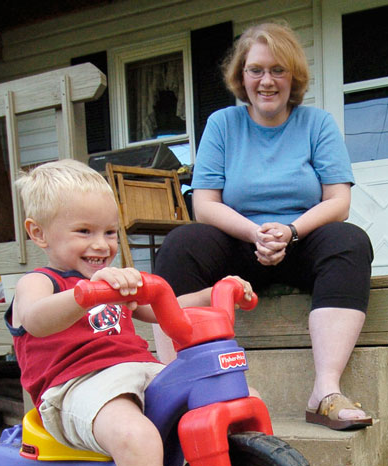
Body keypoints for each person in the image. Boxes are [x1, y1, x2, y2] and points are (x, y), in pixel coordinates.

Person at [6, 159, 251, 466]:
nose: (101, 244)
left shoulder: (114, 279)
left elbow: (166, 302)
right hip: (75, 387)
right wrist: (83, 293)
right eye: (83, 231)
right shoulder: (42, 282)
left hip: (135, 372)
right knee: (138, 439)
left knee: (205, 391)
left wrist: (219, 288)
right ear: (39, 233)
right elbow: (33, 318)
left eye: (110, 231)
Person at [153, 20, 375, 431]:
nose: (266, 81)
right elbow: (204, 204)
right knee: (182, 243)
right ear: (241, 77)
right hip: (239, 245)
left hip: (301, 240)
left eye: (278, 70)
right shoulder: (223, 124)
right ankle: (176, 386)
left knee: (349, 240)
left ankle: (325, 391)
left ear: (294, 76)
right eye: (256, 70)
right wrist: (255, 232)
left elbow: (338, 201)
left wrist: (289, 231)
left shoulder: (317, 123)